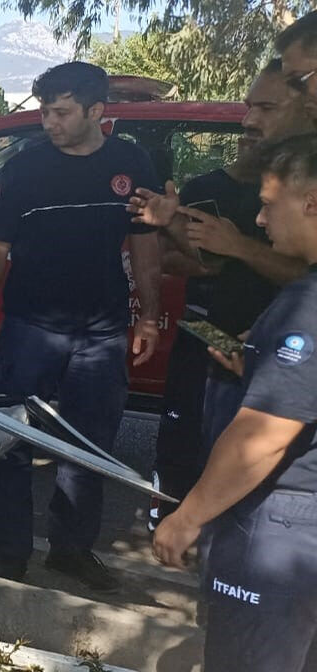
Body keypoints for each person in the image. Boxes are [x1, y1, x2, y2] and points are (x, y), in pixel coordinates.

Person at [0, 61, 164, 591]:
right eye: (44, 111)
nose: (48, 122)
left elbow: (145, 245)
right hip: (31, 327)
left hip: (101, 333)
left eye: (60, 112)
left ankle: (71, 550)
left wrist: (148, 314)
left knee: (87, 445)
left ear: (97, 112)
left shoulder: (130, 162)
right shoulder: (26, 168)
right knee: (12, 440)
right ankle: (9, 552)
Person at [153, 132, 317, 672]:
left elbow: (263, 435)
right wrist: (266, 368)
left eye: (269, 206)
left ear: (311, 202)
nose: (262, 221)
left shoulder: (306, 302)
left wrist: (186, 517)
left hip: (285, 524)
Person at [131, 60, 313, 528]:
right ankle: (172, 521)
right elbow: (187, 261)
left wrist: (239, 249)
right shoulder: (209, 187)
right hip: (215, 341)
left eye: (265, 109)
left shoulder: (302, 185)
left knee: (257, 458)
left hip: (280, 363)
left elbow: (302, 278)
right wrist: (173, 227)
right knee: (187, 441)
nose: (248, 123)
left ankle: (203, 526)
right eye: (248, 110)